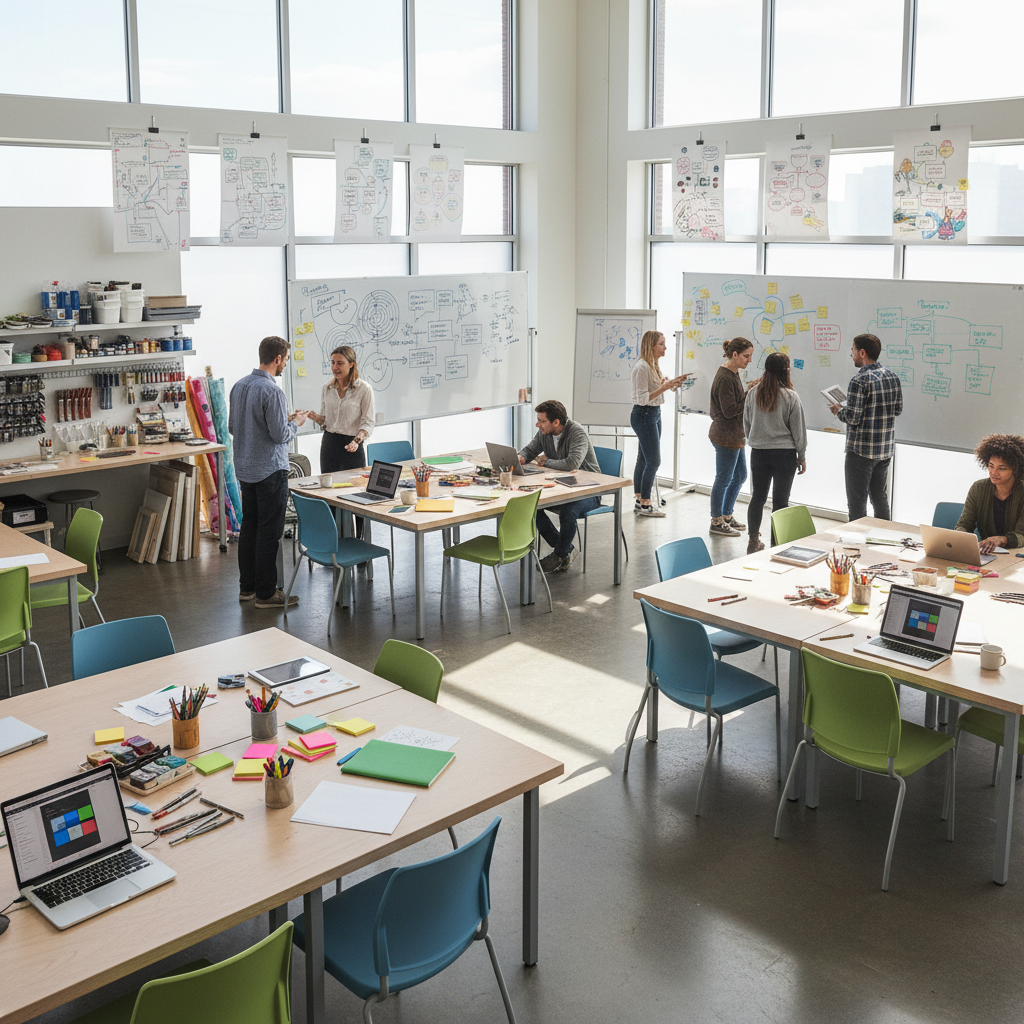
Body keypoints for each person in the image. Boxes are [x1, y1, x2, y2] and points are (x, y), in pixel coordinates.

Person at [228, 336, 306, 609]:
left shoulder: (239, 386)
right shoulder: (273, 392)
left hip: (245, 469)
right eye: (286, 359)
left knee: (249, 528)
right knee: (269, 532)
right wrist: (295, 423)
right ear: (278, 359)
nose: (285, 364)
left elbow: (233, 428)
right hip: (270, 470)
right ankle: (266, 593)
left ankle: (246, 588)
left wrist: (279, 422)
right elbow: (280, 435)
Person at [518, 399, 601, 573]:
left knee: (568, 511)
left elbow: (572, 464)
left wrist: (547, 462)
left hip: (588, 490)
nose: (537, 424)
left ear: (556, 422)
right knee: (532, 507)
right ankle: (566, 551)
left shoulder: (576, 432)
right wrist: (521, 457)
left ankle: (559, 554)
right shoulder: (544, 433)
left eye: (542, 421)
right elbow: (529, 450)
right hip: (560, 487)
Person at [828, 333, 903, 522]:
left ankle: (858, 545)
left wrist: (838, 410)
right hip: (884, 450)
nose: (851, 354)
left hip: (861, 451)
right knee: (880, 498)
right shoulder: (892, 377)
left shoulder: (859, 381)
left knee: (857, 502)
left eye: (852, 350)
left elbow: (853, 417)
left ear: (862, 352)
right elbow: (898, 409)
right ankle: (883, 538)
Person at [742, 352, 807, 554]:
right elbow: (798, 430)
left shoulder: (753, 393)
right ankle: (776, 545)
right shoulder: (790, 396)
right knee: (781, 501)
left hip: (759, 452)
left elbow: (746, 423)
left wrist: (756, 439)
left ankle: (753, 540)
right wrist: (802, 455)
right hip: (784, 455)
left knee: (758, 497)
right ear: (786, 370)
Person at [630, 330, 690, 519]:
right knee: (654, 460)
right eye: (662, 344)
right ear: (652, 346)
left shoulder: (653, 365)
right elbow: (641, 398)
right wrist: (664, 387)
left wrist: (670, 384)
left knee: (644, 459)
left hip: (654, 413)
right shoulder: (642, 367)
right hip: (644, 414)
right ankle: (646, 503)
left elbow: (655, 389)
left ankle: (640, 499)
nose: (665, 347)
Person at [708, 337, 755, 537]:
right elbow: (729, 410)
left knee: (740, 476)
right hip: (726, 436)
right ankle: (716, 520)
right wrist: (749, 393)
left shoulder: (733, 373)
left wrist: (747, 390)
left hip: (735, 435)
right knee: (724, 478)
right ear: (734, 355)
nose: (749, 360)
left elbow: (736, 402)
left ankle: (726, 515)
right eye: (746, 356)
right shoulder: (726, 377)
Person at [304, 345, 375, 473]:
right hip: (329, 443)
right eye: (332, 362)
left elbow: (368, 422)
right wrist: (316, 418)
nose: (334, 367)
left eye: (340, 363)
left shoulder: (364, 389)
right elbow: (326, 420)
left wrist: (356, 442)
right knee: (328, 487)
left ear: (351, 364)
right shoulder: (327, 388)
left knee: (353, 488)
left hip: (352, 444)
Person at [956, 434, 1024, 553]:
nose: (994, 472)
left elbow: (1021, 535)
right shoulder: (978, 488)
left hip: (1017, 557)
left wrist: (1002, 540)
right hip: (986, 554)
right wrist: (959, 535)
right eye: (991, 466)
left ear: (1016, 469)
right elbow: (965, 523)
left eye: (1002, 468)